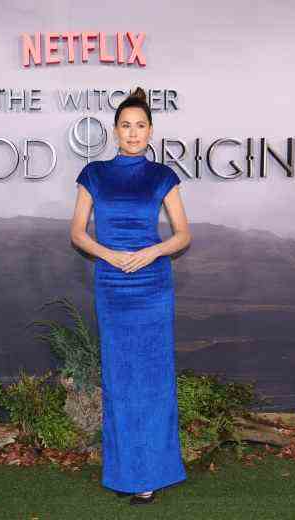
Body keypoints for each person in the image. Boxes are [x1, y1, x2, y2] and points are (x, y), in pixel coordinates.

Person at [70, 87, 192, 506]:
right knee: (120, 378)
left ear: (151, 131)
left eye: (140, 126)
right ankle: (125, 472)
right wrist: (110, 254)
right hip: (112, 284)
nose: (133, 132)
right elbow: (77, 233)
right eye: (126, 126)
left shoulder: (163, 177)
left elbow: (182, 235)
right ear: (115, 130)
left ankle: (153, 475)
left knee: (153, 378)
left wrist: (151, 252)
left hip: (153, 286)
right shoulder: (94, 174)